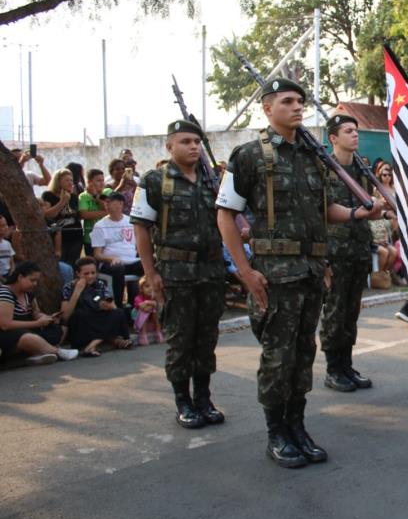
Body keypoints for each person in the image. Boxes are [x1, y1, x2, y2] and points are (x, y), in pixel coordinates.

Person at [217, 78, 382, 467]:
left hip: (309, 271)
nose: (296, 107)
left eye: (300, 101)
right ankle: (277, 432)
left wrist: (360, 212)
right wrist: (244, 271)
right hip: (274, 273)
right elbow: (225, 215)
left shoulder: (313, 157)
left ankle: (297, 425)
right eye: (287, 101)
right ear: (267, 108)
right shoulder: (248, 156)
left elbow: (327, 212)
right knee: (278, 356)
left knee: (303, 353)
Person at [132, 119, 227, 430]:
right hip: (176, 273)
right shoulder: (155, 181)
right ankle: (182, 401)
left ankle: (203, 397)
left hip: (211, 271)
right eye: (185, 141)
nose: (194, 146)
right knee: (180, 339)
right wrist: (150, 273)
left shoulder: (213, 180)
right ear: (169, 146)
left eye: (197, 141)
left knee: (206, 338)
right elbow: (141, 229)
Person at [319, 114, 376, 393]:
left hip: (358, 249)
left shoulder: (362, 168)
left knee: (351, 312)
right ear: (333, 138)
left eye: (356, 131)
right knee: (334, 312)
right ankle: (333, 368)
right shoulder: (322, 169)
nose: (355, 135)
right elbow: (317, 215)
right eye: (348, 131)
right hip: (334, 252)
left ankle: (347, 365)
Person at [0, 261, 78, 365]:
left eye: (36, 281)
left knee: (54, 331)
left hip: (26, 328)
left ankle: (36, 353)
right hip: (8, 333)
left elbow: (36, 313)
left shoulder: (29, 294)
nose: (35, 284)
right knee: (27, 337)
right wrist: (37, 323)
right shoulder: (5, 293)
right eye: (32, 280)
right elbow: (5, 324)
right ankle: (57, 352)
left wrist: (46, 318)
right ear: (20, 277)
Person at [60, 257, 132, 356]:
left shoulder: (100, 284)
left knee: (119, 313)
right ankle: (114, 340)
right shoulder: (69, 287)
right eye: (86, 274)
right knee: (78, 316)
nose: (90, 276)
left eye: (93, 273)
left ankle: (94, 344)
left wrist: (107, 306)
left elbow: (113, 306)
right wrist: (77, 291)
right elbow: (65, 315)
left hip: (99, 316)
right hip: (84, 321)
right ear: (78, 273)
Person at [91, 192, 143, 307]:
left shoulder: (131, 222)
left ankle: (138, 304)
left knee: (152, 264)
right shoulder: (100, 225)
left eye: (110, 202)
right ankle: (118, 306)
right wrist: (112, 258)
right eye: (105, 203)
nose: (107, 205)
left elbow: (139, 245)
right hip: (110, 264)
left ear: (120, 204)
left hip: (131, 261)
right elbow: (97, 254)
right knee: (118, 268)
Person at [42, 168, 83, 267]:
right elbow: (47, 215)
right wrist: (62, 202)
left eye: (71, 180)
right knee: (61, 264)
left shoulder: (73, 196)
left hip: (75, 236)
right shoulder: (48, 195)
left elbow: (78, 215)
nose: (70, 183)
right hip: (59, 238)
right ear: (58, 181)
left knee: (74, 264)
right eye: (66, 180)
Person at [79, 168, 108, 257]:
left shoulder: (108, 192)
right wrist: (105, 212)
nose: (102, 183)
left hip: (107, 237)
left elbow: (111, 210)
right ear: (89, 182)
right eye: (98, 180)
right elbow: (84, 215)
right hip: (90, 238)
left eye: (103, 180)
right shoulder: (83, 196)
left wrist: (96, 196)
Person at [132, 276, 164, 346]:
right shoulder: (138, 298)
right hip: (140, 325)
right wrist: (151, 304)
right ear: (141, 289)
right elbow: (144, 308)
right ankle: (143, 335)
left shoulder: (154, 297)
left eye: (152, 286)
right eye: (147, 286)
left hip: (152, 323)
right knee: (147, 310)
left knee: (155, 310)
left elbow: (157, 305)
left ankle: (158, 331)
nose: (150, 289)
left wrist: (148, 303)